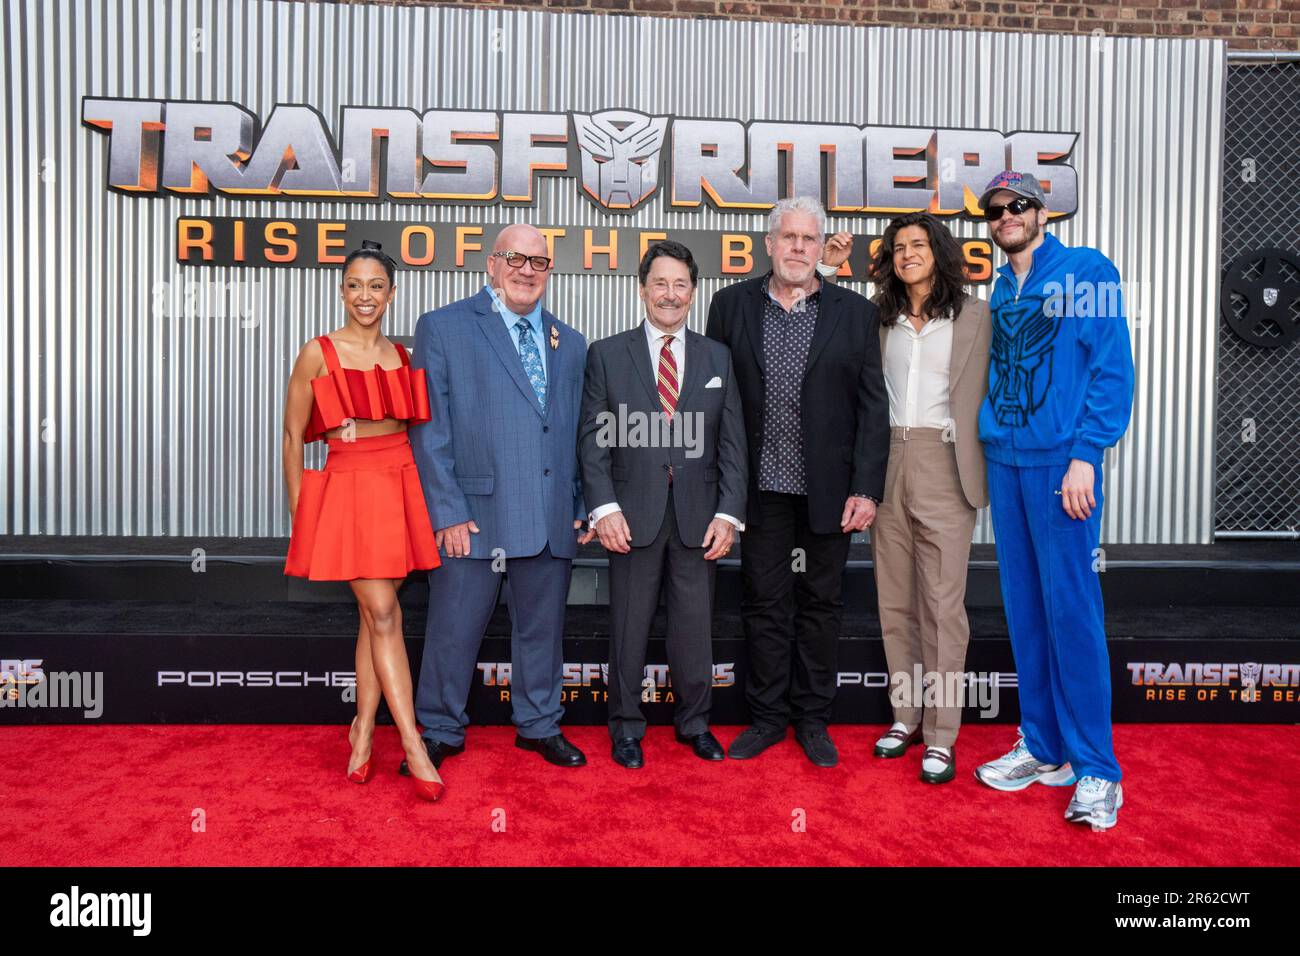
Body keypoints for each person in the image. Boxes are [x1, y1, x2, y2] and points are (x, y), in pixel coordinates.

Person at [969, 171, 1134, 830]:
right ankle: (1044, 748)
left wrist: (1086, 455)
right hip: (1006, 466)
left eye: (1018, 206)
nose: (1006, 215)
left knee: (1071, 612)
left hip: (1060, 470)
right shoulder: (1002, 284)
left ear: (1043, 211)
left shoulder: (1088, 270)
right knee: (1026, 611)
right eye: (996, 210)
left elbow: (1111, 368)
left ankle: (1097, 769)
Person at [705, 196, 890, 768]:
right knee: (764, 603)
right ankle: (766, 718)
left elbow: (872, 408)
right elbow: (713, 403)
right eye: (788, 237)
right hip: (759, 490)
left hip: (829, 491)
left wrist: (867, 488)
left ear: (821, 247)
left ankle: (812, 719)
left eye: (809, 240)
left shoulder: (854, 313)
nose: (798, 248)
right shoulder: (730, 304)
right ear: (768, 244)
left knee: (821, 605)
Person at [408, 223, 591, 771]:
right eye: (515, 258)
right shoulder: (443, 328)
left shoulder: (570, 341)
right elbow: (429, 429)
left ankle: (539, 725)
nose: (526, 270)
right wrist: (447, 511)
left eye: (538, 262)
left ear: (549, 272)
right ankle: (439, 729)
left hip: (550, 513)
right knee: (453, 629)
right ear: (492, 263)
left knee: (542, 632)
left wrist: (580, 501)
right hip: (474, 517)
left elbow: (577, 432)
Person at [821, 214, 992, 784]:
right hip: (886, 459)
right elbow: (821, 324)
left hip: (946, 462)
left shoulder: (975, 316)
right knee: (895, 603)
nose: (907, 255)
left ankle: (942, 735)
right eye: (898, 248)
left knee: (943, 609)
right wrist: (826, 265)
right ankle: (906, 716)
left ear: (938, 252)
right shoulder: (879, 317)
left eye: (918, 245)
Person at [282, 239, 445, 802]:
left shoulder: (402, 358)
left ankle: (360, 732)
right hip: (348, 492)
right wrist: (304, 514)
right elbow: (291, 437)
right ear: (342, 290)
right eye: (355, 285)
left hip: (398, 488)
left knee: (374, 620)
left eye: (376, 286)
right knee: (382, 611)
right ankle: (413, 743)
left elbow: (412, 433)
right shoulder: (318, 352)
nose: (365, 296)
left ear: (392, 293)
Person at [579, 241, 748, 768]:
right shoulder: (606, 354)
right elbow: (592, 440)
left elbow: (732, 441)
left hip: (700, 518)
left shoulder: (718, 356)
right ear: (642, 288)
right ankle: (626, 727)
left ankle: (695, 723)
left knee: (694, 629)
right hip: (630, 516)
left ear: (693, 293)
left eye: (680, 285)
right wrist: (603, 508)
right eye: (660, 283)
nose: (670, 295)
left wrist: (729, 512)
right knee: (628, 627)